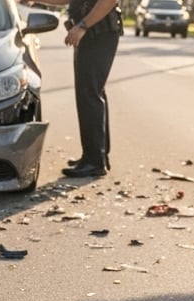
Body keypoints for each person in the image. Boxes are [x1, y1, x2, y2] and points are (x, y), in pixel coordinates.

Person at [45, 0, 122, 178]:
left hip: (99, 33)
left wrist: (82, 25)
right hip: (92, 34)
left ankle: (94, 161)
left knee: (89, 94)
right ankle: (97, 155)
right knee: (91, 92)